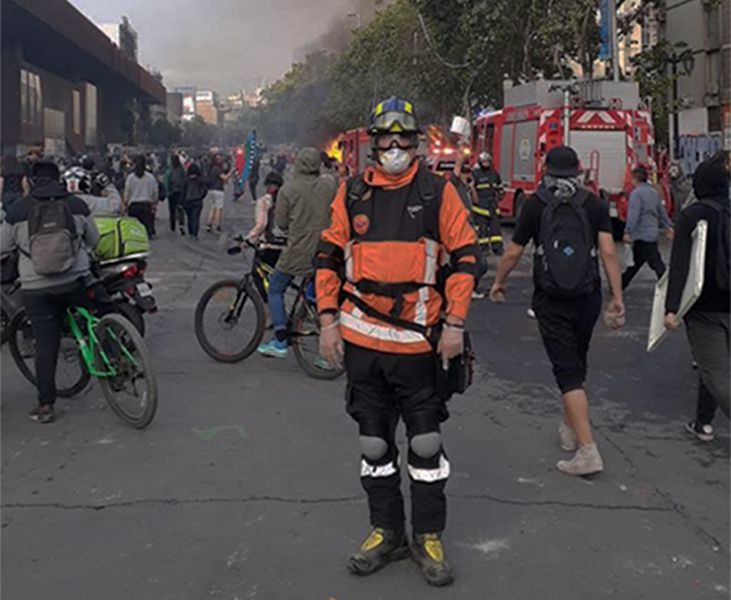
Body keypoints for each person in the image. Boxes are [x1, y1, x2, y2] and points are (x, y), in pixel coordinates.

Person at [315, 97, 479, 587]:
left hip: (420, 344)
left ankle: (427, 536)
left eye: (401, 137)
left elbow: (466, 259)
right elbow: (327, 257)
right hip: (363, 344)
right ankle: (385, 530)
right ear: (373, 142)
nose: (392, 146)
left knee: (426, 445)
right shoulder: (350, 194)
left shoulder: (437, 192)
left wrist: (454, 324)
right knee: (373, 442)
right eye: (383, 138)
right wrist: (327, 322)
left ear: (414, 142)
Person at [490, 146, 625, 476]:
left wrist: (498, 282)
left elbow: (512, 253)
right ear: (579, 169)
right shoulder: (593, 203)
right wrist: (616, 296)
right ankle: (570, 429)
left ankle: (588, 451)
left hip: (551, 299)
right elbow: (608, 251)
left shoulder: (537, 203)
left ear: (544, 168)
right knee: (576, 362)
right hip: (587, 295)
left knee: (566, 372)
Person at [1, 159, 100, 424]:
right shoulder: (77, 204)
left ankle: (46, 405)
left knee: (45, 345)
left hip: (36, 288)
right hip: (75, 281)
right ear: (60, 179)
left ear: (32, 180)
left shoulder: (19, 209)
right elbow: (94, 240)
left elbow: (2, 246)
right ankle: (112, 352)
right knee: (95, 316)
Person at [664, 152, 730, 441]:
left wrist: (671, 308)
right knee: (710, 366)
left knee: (715, 371)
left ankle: (704, 423)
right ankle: (703, 421)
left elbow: (680, 265)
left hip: (704, 307)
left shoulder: (692, 215)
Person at [256, 147, 336, 359]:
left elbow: (281, 223)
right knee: (321, 297)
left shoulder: (288, 190)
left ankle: (280, 339)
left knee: (275, 287)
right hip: (327, 249)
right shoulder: (330, 186)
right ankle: (328, 351)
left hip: (299, 249)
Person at [621, 166, 674, 290]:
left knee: (654, 262)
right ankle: (621, 283)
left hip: (641, 234)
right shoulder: (653, 192)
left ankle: (667, 285)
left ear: (634, 179)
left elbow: (634, 214)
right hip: (651, 232)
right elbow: (661, 211)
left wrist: (628, 231)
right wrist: (668, 226)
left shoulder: (636, 194)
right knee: (637, 262)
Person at [471, 152, 504, 255]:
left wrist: (501, 193)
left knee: (496, 229)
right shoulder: (475, 174)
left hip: (492, 205)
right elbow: (471, 189)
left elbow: (499, 186)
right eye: (484, 162)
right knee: (482, 229)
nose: (486, 164)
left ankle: (497, 248)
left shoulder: (494, 173)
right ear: (480, 162)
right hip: (480, 207)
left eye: (487, 162)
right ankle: (483, 248)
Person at [123, 155, 158, 237]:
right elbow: (155, 191)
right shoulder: (150, 177)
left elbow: (127, 192)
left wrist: (125, 205)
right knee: (145, 229)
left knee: (134, 229)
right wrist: (154, 203)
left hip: (133, 206)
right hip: (146, 206)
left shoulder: (130, 178)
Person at [181, 163, 208, 240]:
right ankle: (195, 234)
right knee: (196, 218)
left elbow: (183, 191)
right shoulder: (200, 179)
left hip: (188, 200)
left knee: (189, 218)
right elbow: (205, 190)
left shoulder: (186, 180)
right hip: (197, 200)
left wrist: (182, 201)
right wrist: (201, 196)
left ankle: (191, 232)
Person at [206, 154, 230, 233]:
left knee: (213, 207)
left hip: (211, 190)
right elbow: (225, 178)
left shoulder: (211, 169)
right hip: (218, 190)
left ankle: (209, 224)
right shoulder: (218, 169)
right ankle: (217, 225)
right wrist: (232, 172)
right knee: (219, 209)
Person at [165, 154, 187, 235]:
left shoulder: (170, 170)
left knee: (172, 210)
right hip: (180, 192)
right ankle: (181, 225)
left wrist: (167, 192)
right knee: (180, 209)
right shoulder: (182, 170)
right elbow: (185, 180)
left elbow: (166, 181)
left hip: (172, 192)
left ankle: (172, 225)